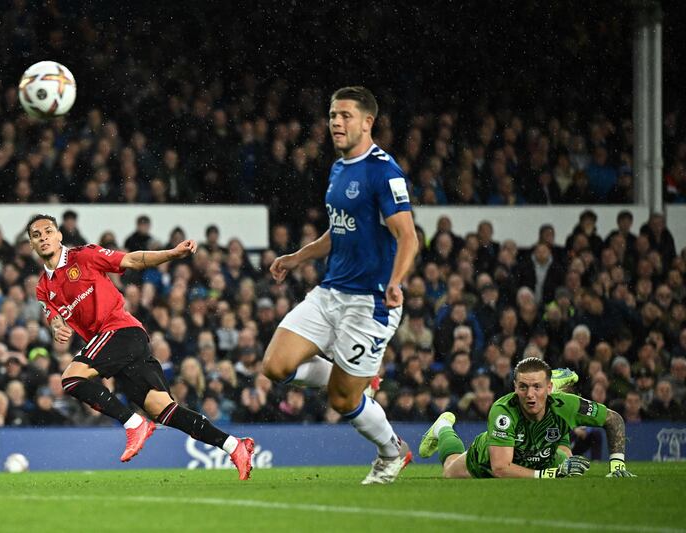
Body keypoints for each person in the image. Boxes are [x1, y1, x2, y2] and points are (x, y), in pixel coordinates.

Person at [263, 86, 419, 484]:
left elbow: (408, 236)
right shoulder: (338, 168)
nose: (336, 122)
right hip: (331, 292)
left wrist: (396, 282)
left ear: (368, 122)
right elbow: (339, 230)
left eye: (346, 115)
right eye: (333, 115)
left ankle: (391, 452)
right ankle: (350, 372)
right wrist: (297, 257)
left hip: (371, 302)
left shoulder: (384, 171)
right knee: (275, 366)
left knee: (342, 399)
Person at [27, 214, 254, 479]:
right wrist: (57, 329)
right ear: (31, 244)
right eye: (36, 235)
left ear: (59, 236)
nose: (43, 238)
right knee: (164, 409)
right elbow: (53, 318)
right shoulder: (43, 288)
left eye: (48, 231)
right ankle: (234, 446)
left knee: (71, 378)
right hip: (113, 345)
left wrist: (171, 253)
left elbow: (132, 259)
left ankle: (134, 424)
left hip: (122, 330)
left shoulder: (84, 256)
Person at [418, 358, 635, 479]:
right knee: (449, 470)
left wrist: (617, 466)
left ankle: (553, 386)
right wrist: (551, 474)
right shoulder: (503, 410)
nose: (530, 395)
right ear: (514, 387)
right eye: (523, 387)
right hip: (486, 460)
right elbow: (501, 469)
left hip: (541, 452)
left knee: (565, 456)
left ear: (549, 388)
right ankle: (443, 426)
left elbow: (613, 419)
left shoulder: (567, 404)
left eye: (537, 387)